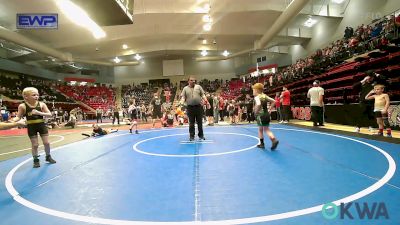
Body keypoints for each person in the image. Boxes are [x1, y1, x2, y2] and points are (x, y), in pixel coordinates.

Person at [13, 87, 56, 168]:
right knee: (35, 145)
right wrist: (13, 120)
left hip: (41, 125)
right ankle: (36, 160)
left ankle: (48, 156)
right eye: (34, 95)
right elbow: (18, 117)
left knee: (47, 143)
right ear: (26, 96)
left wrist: (38, 112)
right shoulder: (22, 106)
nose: (36, 96)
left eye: (37, 95)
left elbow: (50, 114)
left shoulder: (42, 104)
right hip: (31, 126)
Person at [180, 76, 210, 141]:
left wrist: (207, 102)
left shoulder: (199, 87)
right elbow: (183, 97)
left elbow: (203, 95)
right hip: (190, 108)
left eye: (194, 80)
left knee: (200, 122)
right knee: (191, 123)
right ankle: (191, 136)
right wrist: (181, 102)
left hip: (198, 107)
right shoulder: (185, 88)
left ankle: (201, 135)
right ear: (188, 81)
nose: (193, 81)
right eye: (191, 80)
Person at [252, 83, 279, 150]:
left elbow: (258, 104)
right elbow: (274, 101)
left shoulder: (257, 97)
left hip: (260, 115)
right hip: (266, 114)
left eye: (253, 90)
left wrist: (255, 112)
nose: (253, 91)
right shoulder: (264, 96)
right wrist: (270, 109)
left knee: (260, 130)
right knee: (266, 129)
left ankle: (263, 143)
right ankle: (273, 139)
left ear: (256, 90)